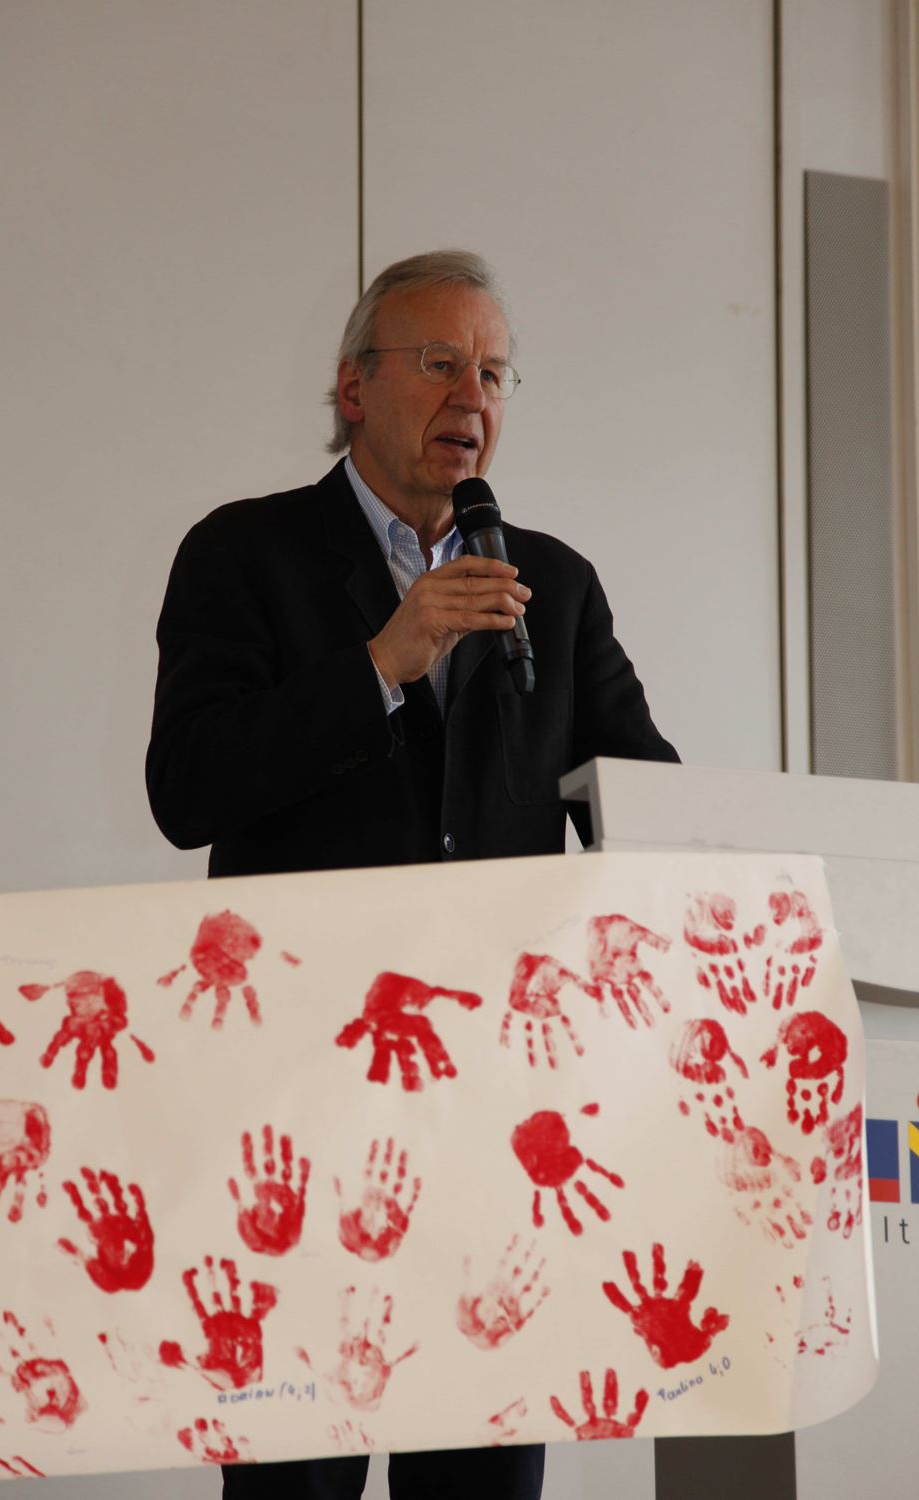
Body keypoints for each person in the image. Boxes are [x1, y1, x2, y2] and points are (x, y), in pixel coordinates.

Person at [146, 250, 678, 1500]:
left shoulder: (555, 580)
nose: (472, 394)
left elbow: (642, 799)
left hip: (494, 1113)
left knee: (483, 1476)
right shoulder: (244, 554)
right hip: (296, 1106)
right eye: (439, 362)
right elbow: (187, 789)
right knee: (296, 1479)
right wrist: (385, 657)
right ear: (351, 386)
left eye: (493, 371)